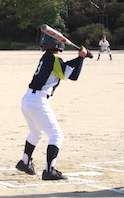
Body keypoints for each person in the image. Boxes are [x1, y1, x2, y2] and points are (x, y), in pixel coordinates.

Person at [16, 33, 90, 180]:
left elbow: (65, 65)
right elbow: (73, 75)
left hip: (28, 99)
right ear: (58, 45)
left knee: (36, 133)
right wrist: (81, 58)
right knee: (56, 136)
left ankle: (25, 162)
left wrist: (81, 57)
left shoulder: (47, 58)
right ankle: (49, 170)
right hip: (38, 101)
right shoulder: (55, 60)